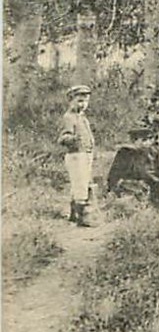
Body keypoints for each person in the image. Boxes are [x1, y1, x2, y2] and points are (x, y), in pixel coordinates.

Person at [57, 84, 97, 227]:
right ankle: (82, 217)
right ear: (70, 100)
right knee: (80, 184)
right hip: (76, 155)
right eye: (79, 101)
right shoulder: (69, 117)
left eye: (85, 101)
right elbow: (63, 137)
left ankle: (74, 214)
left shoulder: (82, 117)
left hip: (85, 154)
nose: (83, 105)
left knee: (82, 183)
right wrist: (73, 139)